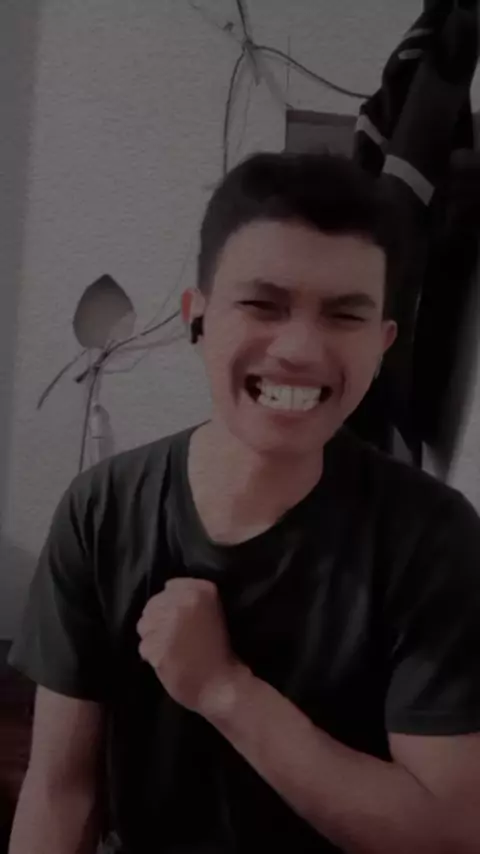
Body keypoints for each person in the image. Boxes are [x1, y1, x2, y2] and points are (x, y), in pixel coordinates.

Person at [7, 152, 480, 854]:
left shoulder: (434, 538)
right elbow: (59, 792)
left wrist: (226, 690)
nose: (300, 348)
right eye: (263, 304)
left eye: (345, 315)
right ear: (197, 318)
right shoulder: (102, 509)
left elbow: (446, 834)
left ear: (382, 345)